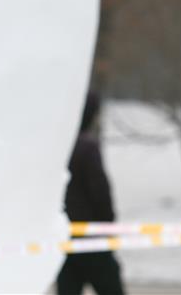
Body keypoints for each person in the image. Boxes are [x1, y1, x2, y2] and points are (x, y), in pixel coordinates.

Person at [58, 92, 126, 295]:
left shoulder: (59, 147)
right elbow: (100, 192)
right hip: (93, 238)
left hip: (65, 236)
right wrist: (108, 222)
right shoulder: (87, 148)